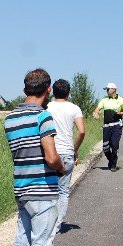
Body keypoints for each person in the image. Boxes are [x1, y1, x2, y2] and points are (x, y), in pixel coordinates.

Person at [4, 68, 67, 246]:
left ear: (25, 89)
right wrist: (61, 168)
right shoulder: (44, 117)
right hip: (43, 190)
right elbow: (51, 157)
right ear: (48, 89)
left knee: (22, 245)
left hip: (21, 187)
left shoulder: (10, 119)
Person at [46, 79, 85, 235]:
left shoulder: (46, 107)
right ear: (69, 93)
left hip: (50, 152)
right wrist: (75, 150)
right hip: (67, 152)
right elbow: (81, 131)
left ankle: (46, 223)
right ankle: (57, 226)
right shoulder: (74, 108)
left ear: (53, 92)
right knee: (63, 191)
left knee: (48, 190)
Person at [93, 82, 123, 172]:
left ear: (114, 89)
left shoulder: (121, 100)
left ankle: (113, 165)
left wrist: (120, 113)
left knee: (114, 145)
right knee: (105, 147)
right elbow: (97, 109)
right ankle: (111, 161)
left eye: (108, 89)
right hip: (106, 127)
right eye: (106, 89)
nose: (107, 91)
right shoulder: (104, 100)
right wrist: (96, 113)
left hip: (117, 125)